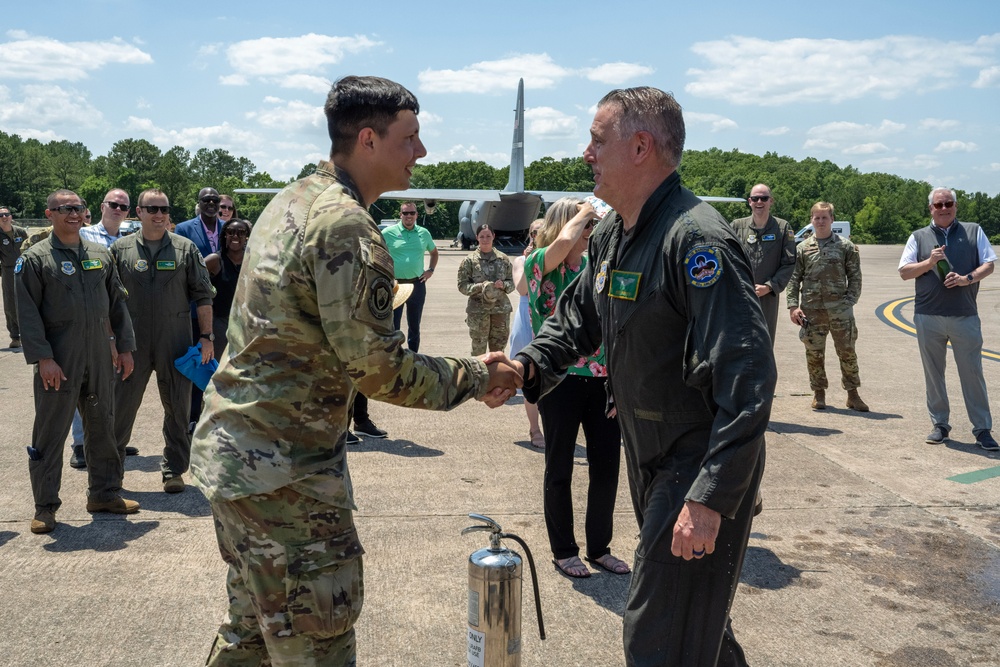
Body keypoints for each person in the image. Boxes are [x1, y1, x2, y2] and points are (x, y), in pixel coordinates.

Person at [188, 75, 521, 666]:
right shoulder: (344, 225)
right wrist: (477, 374)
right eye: (410, 138)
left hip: (240, 461)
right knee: (317, 641)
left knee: (251, 637)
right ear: (368, 140)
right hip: (286, 477)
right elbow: (380, 371)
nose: (421, 153)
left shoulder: (292, 199)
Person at [509, 86, 775, 666]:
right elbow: (576, 318)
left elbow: (748, 374)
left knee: (658, 635)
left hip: (696, 455)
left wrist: (711, 497)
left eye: (597, 140)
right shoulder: (612, 234)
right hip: (649, 450)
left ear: (640, 147)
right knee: (695, 629)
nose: (586, 153)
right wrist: (527, 366)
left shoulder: (695, 240)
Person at [14, 189, 138, 534]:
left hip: (99, 354)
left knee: (103, 425)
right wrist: (43, 358)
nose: (73, 213)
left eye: (78, 208)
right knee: (51, 431)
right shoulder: (36, 258)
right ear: (49, 213)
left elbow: (117, 305)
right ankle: (46, 506)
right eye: (64, 208)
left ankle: (104, 493)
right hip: (60, 357)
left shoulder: (101, 254)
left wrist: (125, 347)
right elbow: (28, 314)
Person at [526, 198, 628, 579]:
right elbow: (560, 247)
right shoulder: (541, 263)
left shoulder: (595, 267)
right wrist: (588, 209)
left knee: (606, 468)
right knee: (560, 468)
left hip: (602, 381)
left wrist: (618, 383)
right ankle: (564, 550)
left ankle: (600, 547)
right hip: (559, 380)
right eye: (585, 226)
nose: (590, 232)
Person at [111, 189, 215, 494]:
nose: (159, 215)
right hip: (132, 343)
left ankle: (173, 470)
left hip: (176, 340)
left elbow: (204, 295)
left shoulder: (185, 249)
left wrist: (206, 337)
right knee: (120, 408)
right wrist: (111, 341)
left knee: (179, 409)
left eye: (164, 209)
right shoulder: (119, 250)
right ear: (138, 212)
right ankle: (111, 473)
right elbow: (106, 300)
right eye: (152, 209)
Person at [898, 187, 997, 450]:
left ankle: (982, 429)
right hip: (928, 315)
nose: (944, 208)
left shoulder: (973, 231)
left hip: (964, 316)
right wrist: (929, 262)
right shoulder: (918, 237)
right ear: (930, 208)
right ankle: (940, 425)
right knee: (934, 374)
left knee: (972, 373)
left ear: (955, 206)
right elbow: (905, 272)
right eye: (938, 204)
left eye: (948, 203)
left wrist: (967, 279)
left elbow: (989, 263)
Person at [70, 188, 137, 468]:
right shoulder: (84, 236)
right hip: (93, 321)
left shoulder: (132, 239)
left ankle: (111, 439)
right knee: (84, 383)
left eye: (123, 206)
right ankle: (81, 443)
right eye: (113, 204)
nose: (118, 209)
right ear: (101, 206)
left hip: (123, 319)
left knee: (116, 385)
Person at [787, 202, 869, 412]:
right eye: (816, 217)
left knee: (847, 352)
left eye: (824, 217)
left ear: (832, 219)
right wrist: (793, 306)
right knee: (814, 354)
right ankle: (819, 393)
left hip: (840, 312)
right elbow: (794, 279)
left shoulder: (845, 246)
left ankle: (853, 394)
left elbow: (855, 277)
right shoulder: (802, 248)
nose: (820, 221)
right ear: (811, 220)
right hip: (811, 311)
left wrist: (849, 301)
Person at [176, 187, 223, 430]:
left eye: (215, 200)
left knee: (222, 365)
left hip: (223, 307)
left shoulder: (229, 228)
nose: (212, 204)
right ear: (199, 203)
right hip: (195, 307)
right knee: (198, 362)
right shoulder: (184, 229)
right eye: (207, 200)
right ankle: (192, 417)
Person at [730, 184, 796, 344]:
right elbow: (727, 258)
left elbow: (789, 263)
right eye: (755, 198)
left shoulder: (782, 228)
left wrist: (769, 286)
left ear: (771, 201)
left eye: (764, 198)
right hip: (739, 294)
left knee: (763, 341)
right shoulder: (736, 226)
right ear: (749, 201)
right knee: (737, 341)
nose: (759, 201)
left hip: (767, 297)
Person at [381, 201, 438, 352]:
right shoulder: (388, 233)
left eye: (412, 213)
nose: (409, 216)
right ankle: (394, 356)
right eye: (405, 213)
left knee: (414, 324)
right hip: (396, 285)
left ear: (416, 215)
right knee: (393, 324)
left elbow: (434, 252)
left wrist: (430, 270)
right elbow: (377, 252)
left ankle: (413, 356)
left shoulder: (424, 233)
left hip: (417, 284)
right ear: (400, 215)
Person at [509, 219, 544, 449]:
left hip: (550, 316)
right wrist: (531, 261)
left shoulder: (555, 258)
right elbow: (522, 289)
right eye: (534, 232)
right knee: (530, 375)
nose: (537, 236)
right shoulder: (521, 260)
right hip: (527, 315)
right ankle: (534, 428)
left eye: (542, 232)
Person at [456, 223, 514, 355]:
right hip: (478, 311)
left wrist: (504, 285)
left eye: (488, 236)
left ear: (494, 236)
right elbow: (462, 286)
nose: (485, 239)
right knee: (478, 349)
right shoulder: (469, 261)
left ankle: (497, 375)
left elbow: (512, 283)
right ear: (477, 238)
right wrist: (479, 287)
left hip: (500, 310)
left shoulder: (503, 259)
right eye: (482, 236)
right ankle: (478, 375)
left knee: (498, 350)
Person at [205, 217, 251, 357]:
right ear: (225, 235)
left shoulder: (252, 260)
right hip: (220, 324)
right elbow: (192, 280)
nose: (235, 236)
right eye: (231, 232)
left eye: (241, 232)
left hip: (247, 323)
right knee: (219, 367)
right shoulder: (214, 260)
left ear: (247, 237)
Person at [0, 206, 28, 349]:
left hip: (25, 269)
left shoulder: (21, 232)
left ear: (11, 217)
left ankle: (32, 334)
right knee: (10, 304)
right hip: (8, 271)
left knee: (31, 300)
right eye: (1, 215)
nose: (4, 217)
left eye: (7, 214)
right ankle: (15, 336)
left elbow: (31, 248)